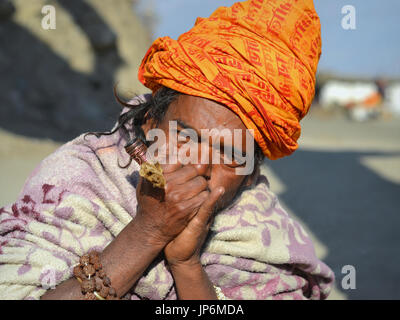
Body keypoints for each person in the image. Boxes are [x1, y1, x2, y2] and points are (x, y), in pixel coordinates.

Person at [0, 0, 334, 300]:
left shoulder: (259, 230)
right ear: (149, 123)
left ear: (250, 175)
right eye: (184, 136)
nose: (200, 164)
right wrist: (147, 232)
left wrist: (187, 265)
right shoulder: (81, 178)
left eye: (230, 154)